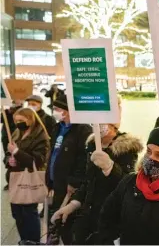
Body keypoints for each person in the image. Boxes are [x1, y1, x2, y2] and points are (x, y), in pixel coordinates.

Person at [51, 123, 143, 244]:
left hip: (110, 221)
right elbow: (88, 181)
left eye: (102, 123)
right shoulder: (91, 144)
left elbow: (129, 185)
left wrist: (110, 168)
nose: (98, 125)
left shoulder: (126, 148)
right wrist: (73, 204)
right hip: (88, 218)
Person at [45, 95, 92, 244]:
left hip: (69, 188)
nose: (55, 112)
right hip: (56, 184)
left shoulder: (83, 129)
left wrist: (74, 181)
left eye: (58, 109)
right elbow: (53, 153)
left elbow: (84, 159)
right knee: (54, 224)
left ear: (67, 111)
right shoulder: (58, 127)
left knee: (66, 227)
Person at [6, 108, 50, 243]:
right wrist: (9, 160)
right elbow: (9, 154)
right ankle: (24, 240)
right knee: (17, 214)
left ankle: (33, 241)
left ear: (30, 119)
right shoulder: (17, 133)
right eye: (16, 121)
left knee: (29, 213)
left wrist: (17, 152)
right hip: (16, 178)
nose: (18, 123)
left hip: (30, 179)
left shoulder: (41, 136)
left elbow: (37, 161)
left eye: (21, 120)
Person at [1, 100, 23, 190]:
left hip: (16, 137)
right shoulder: (7, 111)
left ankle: (19, 182)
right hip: (6, 137)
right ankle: (10, 181)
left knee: (17, 159)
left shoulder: (22, 111)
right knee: (9, 158)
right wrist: (5, 111)